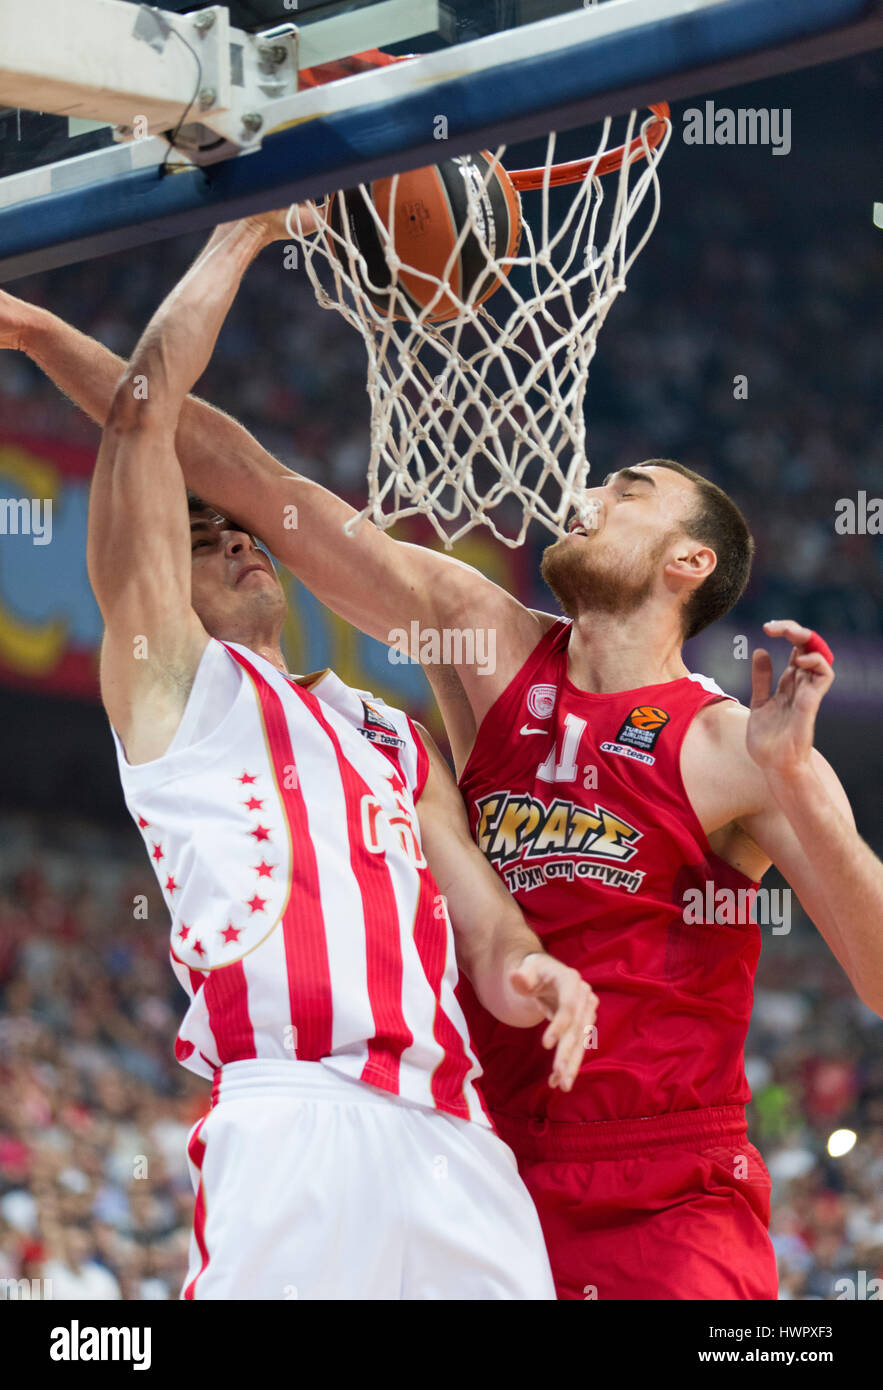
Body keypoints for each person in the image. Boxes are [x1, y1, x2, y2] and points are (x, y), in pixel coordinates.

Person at [4, 209, 882, 1300]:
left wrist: (796, 777)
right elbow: (245, 473)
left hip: (660, 1190)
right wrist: (46, 339)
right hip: (477, 1148)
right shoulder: (486, 647)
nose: (589, 492)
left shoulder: (732, 745)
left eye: (628, 493)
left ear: (687, 560)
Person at [9, 221, 598, 1300]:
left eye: (243, 534)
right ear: (155, 581)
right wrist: (240, 236)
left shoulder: (391, 734)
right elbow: (146, 416)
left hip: (454, 1132)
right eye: (200, 538)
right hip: (296, 1110)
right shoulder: (170, 683)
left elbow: (483, 919)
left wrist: (529, 971)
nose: (239, 540)